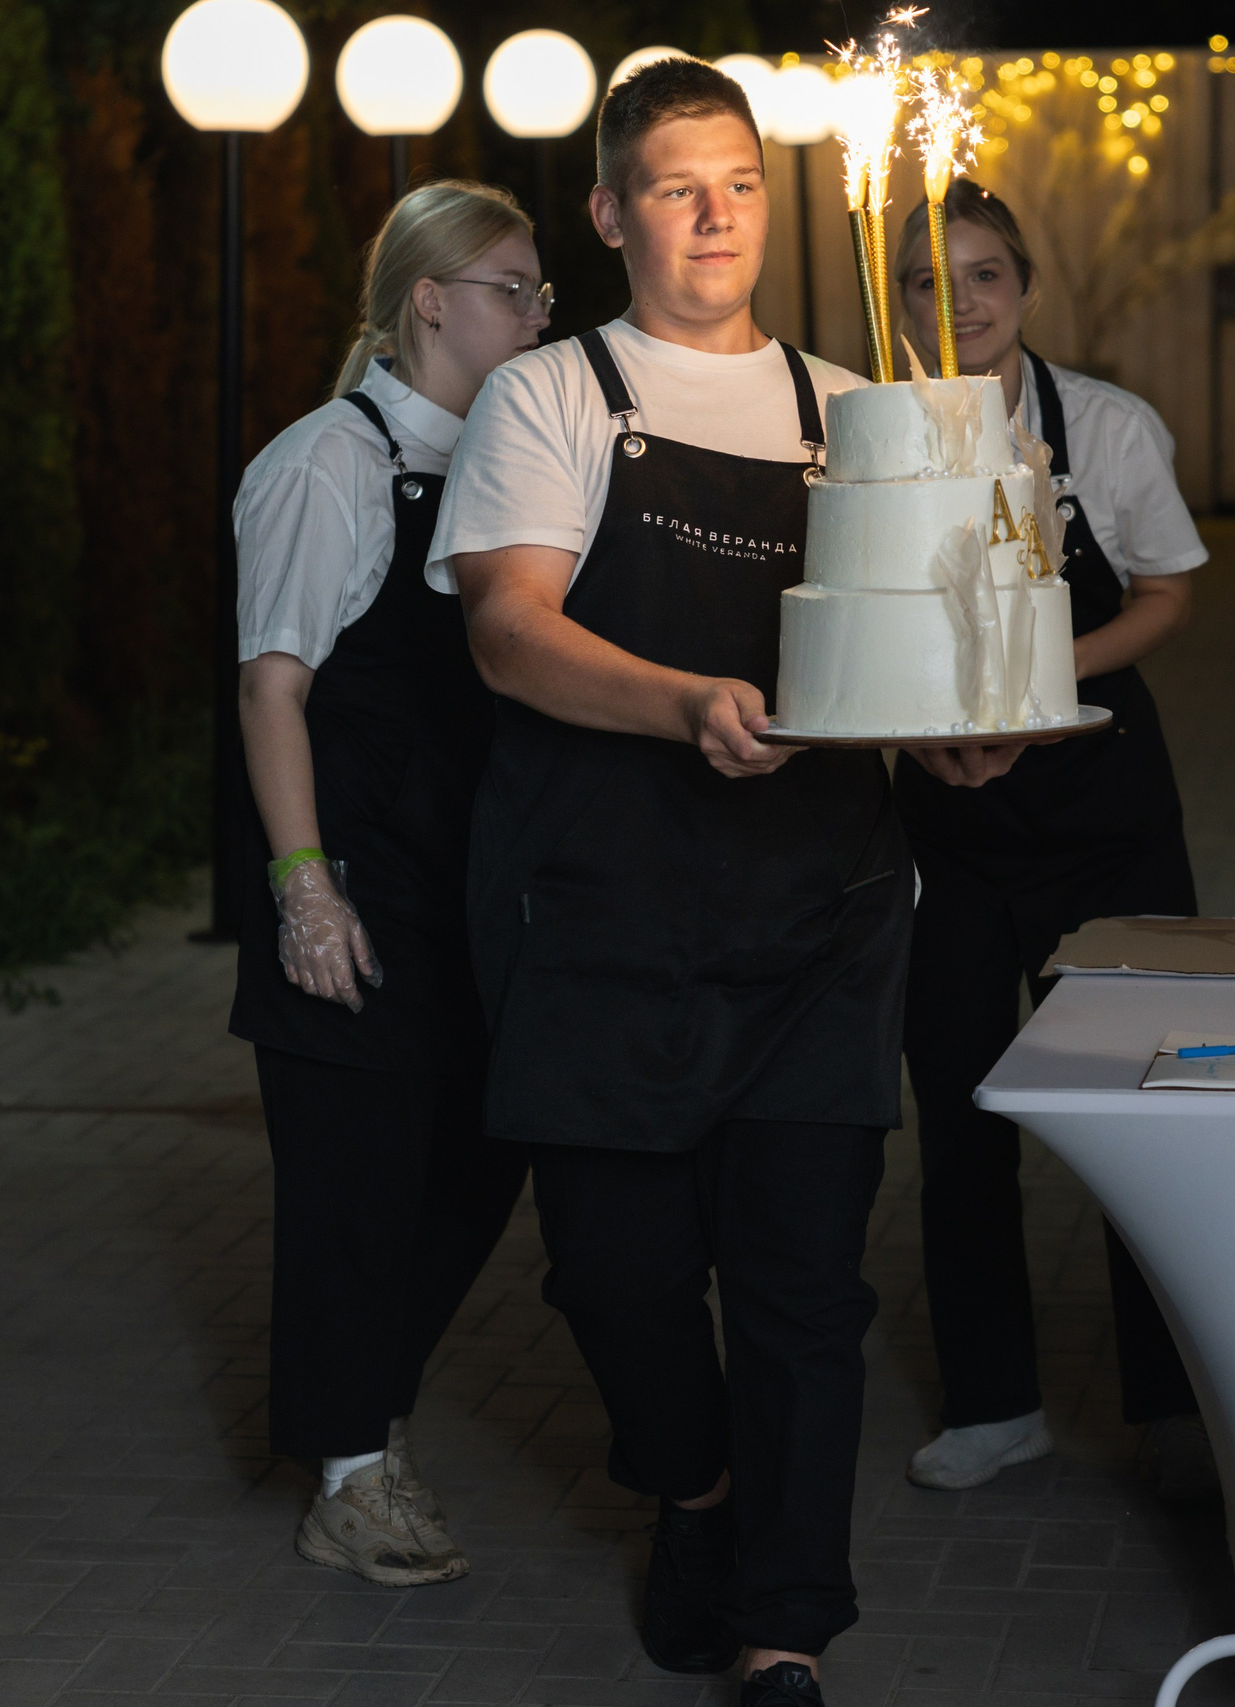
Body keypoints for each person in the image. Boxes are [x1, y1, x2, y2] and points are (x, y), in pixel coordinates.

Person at [430, 59, 1022, 1707]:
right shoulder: (550, 399)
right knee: (609, 1275)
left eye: (741, 184)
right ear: (612, 212)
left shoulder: (852, 411)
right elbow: (507, 630)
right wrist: (684, 703)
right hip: (602, 912)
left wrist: (954, 741)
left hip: (820, 913)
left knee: (802, 1289)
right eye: (678, 186)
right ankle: (691, 1491)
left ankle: (785, 1624)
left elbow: (915, 653)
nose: (715, 215)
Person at [228, 181, 545, 1587]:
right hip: (354, 885)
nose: (538, 315)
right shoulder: (325, 461)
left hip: (464, 893)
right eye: (511, 288)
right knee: (356, 1192)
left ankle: (347, 1411)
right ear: (428, 300)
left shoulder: (506, 468)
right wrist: (305, 889)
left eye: (543, 293)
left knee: (482, 1161)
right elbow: (270, 685)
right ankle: (351, 1473)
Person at [889, 181, 1214, 1495]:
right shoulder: (865, 432)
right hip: (948, 821)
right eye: (928, 279)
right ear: (896, 297)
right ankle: (992, 1402)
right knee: (963, 1116)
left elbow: (1166, 594)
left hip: (1102, 812)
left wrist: (1038, 686)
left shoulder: (1110, 426)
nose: (959, 302)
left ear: (1025, 288)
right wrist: (930, 731)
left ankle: (1176, 1404)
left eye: (984, 276)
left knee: (1146, 1113)